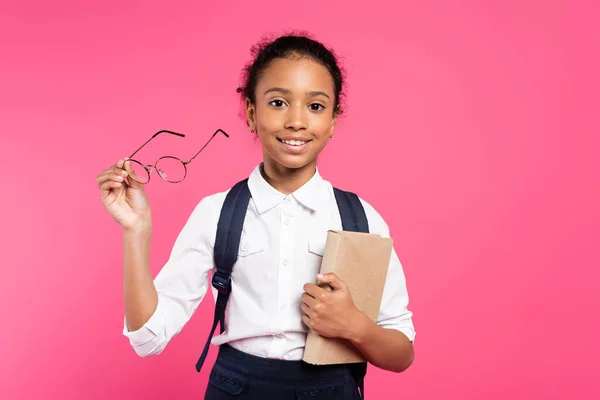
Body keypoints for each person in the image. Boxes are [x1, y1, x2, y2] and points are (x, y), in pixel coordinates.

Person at [96, 32, 415, 399]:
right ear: (251, 112)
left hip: (331, 388)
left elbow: (401, 352)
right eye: (278, 102)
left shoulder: (362, 219)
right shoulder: (216, 213)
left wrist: (355, 326)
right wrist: (136, 232)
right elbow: (147, 339)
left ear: (333, 121)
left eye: (315, 106)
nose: (296, 121)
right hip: (236, 387)